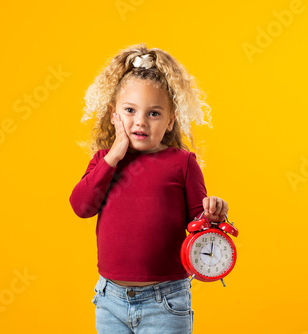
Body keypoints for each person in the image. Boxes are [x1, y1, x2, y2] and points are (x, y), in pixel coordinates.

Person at [70, 43, 229, 334]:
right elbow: (81, 207)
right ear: (113, 114)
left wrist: (213, 217)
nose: (140, 121)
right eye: (130, 110)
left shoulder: (182, 163)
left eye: (154, 113)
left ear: (171, 120)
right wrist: (113, 156)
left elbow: (198, 225)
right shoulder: (104, 162)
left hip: (166, 301)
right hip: (110, 300)